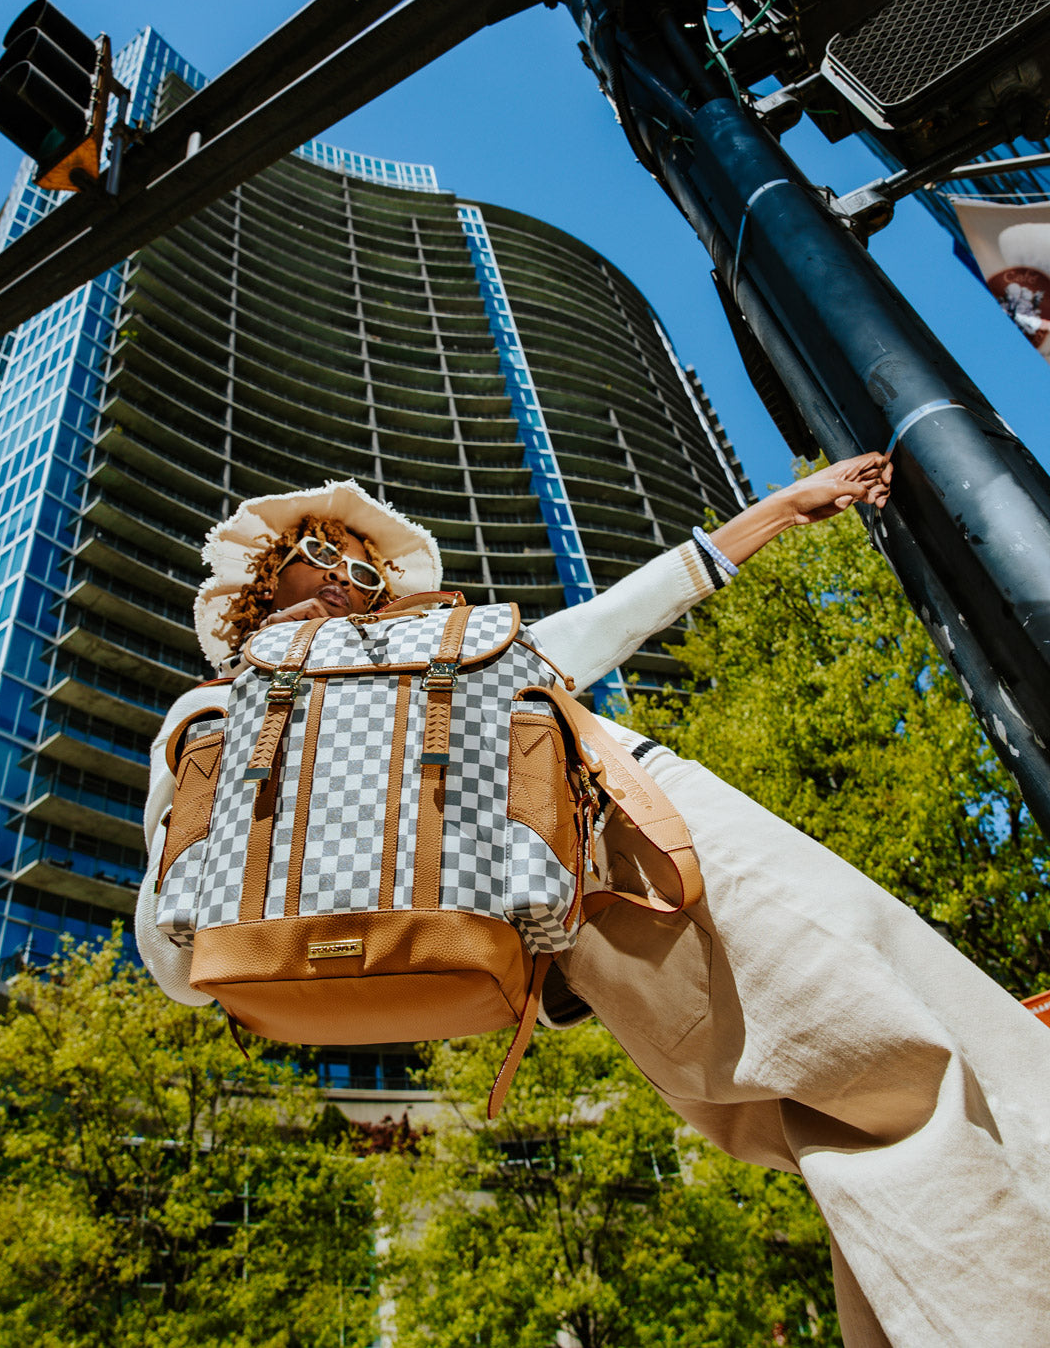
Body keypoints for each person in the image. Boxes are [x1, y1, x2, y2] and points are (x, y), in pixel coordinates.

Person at [137, 463, 1050, 1348]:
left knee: (849, 1134)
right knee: (914, 1066)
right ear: (260, 583)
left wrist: (780, 510)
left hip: (603, 940)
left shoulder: (456, 665)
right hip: (650, 852)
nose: (345, 577)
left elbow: (616, 617)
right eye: (316, 555)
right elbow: (175, 953)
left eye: (366, 571)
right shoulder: (219, 711)